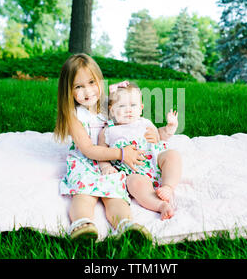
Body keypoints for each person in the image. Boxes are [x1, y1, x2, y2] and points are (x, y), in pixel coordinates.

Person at [54, 53, 156, 241]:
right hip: (86, 162)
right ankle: (82, 224)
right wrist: (120, 153)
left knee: (115, 195)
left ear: (100, 81)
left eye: (92, 82)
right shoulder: (74, 116)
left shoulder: (105, 105)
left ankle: (126, 225)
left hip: (111, 163)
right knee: (84, 193)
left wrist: (154, 133)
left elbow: (126, 114)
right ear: (68, 91)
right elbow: (88, 150)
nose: (88, 91)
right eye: (79, 86)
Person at [98, 81, 182, 220]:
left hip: (154, 161)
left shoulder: (145, 123)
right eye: (122, 106)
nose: (129, 110)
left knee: (172, 155)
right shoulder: (108, 131)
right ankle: (160, 205)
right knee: (134, 183)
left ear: (141, 108)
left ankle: (167, 187)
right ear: (112, 110)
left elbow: (159, 136)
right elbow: (102, 152)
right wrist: (105, 166)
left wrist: (169, 128)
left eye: (133, 105)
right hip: (133, 170)